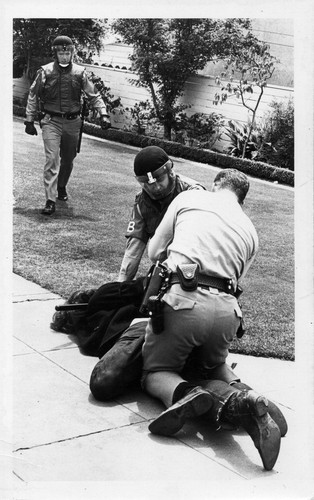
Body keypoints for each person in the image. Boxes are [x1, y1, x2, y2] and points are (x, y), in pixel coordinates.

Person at [140, 168, 282, 470]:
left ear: (216, 184)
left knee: (156, 371)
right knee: (213, 364)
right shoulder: (251, 230)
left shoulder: (190, 197)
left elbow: (154, 251)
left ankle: (187, 394)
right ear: (241, 198)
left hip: (183, 301)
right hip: (227, 313)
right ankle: (249, 396)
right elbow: (237, 277)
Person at [24, 35, 111, 215]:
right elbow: (33, 95)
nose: (65, 56)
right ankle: (50, 199)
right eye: (61, 53)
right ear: (55, 54)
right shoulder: (45, 72)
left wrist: (103, 114)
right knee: (52, 158)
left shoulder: (80, 73)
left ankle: (61, 186)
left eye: (68, 52)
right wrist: (29, 119)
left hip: (73, 122)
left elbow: (93, 95)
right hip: (51, 121)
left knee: (68, 159)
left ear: (72, 53)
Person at [117, 145, 205, 281]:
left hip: (196, 268)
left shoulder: (193, 193)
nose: (155, 187)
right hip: (166, 269)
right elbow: (133, 251)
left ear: (170, 173)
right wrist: (120, 286)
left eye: (159, 180)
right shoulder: (142, 203)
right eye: (148, 183)